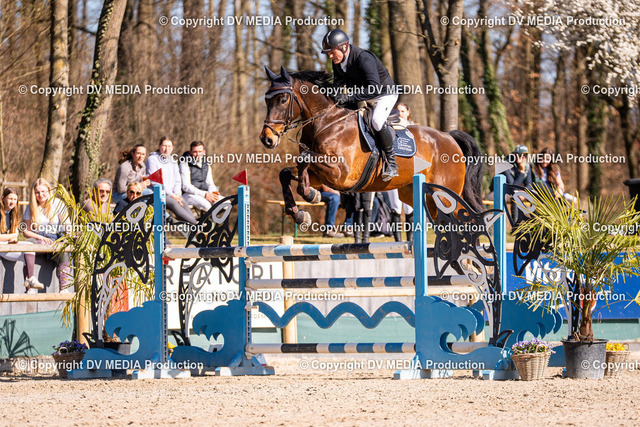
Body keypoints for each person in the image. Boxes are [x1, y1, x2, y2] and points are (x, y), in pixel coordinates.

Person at [322, 29, 398, 181]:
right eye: (328, 53)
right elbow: (338, 84)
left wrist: (349, 97)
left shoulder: (364, 58)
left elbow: (374, 89)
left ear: (344, 47)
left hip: (384, 95)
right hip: (363, 96)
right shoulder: (338, 62)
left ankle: (391, 163)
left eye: (332, 52)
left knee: (377, 121)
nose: (330, 56)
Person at [21, 178, 71, 291]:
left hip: (56, 238)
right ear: (34, 194)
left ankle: (64, 288)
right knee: (28, 244)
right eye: (37, 192)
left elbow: (67, 224)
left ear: (48, 191)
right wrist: (40, 237)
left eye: (43, 191)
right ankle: (30, 284)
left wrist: (69, 237)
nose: (40, 195)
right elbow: (25, 231)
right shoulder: (31, 207)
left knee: (64, 250)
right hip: (39, 238)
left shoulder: (58, 204)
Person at [146, 136, 197, 224]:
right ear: (159, 146)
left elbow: (177, 180)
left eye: (169, 146)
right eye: (164, 146)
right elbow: (156, 182)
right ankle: (196, 224)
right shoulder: (152, 159)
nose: (167, 149)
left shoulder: (172, 161)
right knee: (174, 203)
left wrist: (177, 194)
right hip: (157, 193)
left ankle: (193, 226)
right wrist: (172, 195)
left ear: (172, 148)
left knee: (183, 202)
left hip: (172, 194)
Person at [0, 188, 40, 292]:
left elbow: (12, 234)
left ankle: (29, 287)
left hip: (6, 244)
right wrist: (13, 235)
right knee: (27, 253)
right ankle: (30, 283)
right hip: (1, 246)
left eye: (15, 199)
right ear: (3, 198)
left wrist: (13, 238)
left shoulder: (12, 212)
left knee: (29, 247)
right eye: (10, 199)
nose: (12, 202)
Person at [179, 141, 221, 213]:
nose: (198, 154)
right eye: (195, 152)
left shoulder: (206, 163)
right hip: (188, 195)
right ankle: (206, 220)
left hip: (205, 193)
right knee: (206, 205)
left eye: (200, 151)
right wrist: (205, 194)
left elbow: (210, 183)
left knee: (226, 203)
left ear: (204, 152)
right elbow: (186, 186)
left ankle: (215, 220)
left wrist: (213, 193)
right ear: (190, 152)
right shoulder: (184, 163)